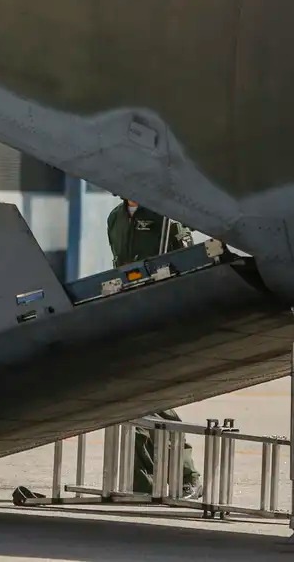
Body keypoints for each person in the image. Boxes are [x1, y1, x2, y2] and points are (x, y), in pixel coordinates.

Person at [107, 198, 202, 498]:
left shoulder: (167, 215)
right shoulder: (115, 218)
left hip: (161, 315)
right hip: (129, 313)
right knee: (130, 399)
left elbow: (188, 263)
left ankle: (186, 475)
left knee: (154, 398)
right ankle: (142, 481)